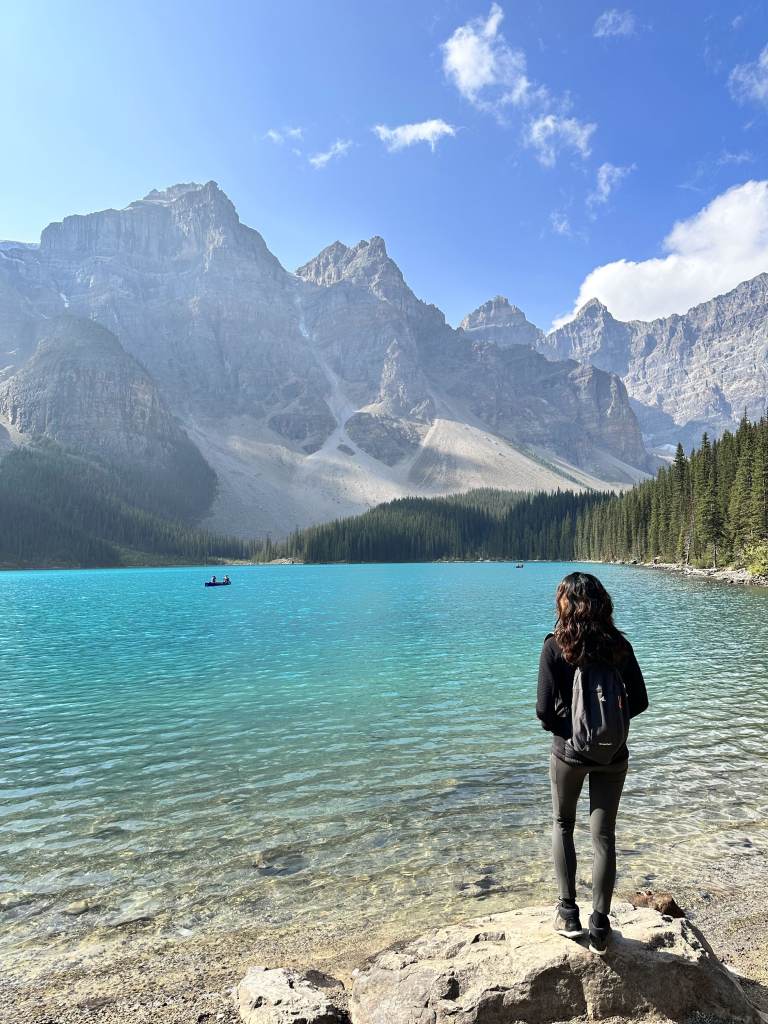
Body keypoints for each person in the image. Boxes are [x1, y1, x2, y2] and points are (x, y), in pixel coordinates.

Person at [536, 572, 648, 954]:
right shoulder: (620, 646)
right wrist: (609, 730)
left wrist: (572, 731)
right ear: (602, 603)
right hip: (613, 755)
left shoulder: (556, 646)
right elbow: (641, 701)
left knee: (563, 824)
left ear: (564, 604)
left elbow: (543, 710)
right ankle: (600, 927)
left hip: (568, 754)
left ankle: (568, 914)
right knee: (604, 836)